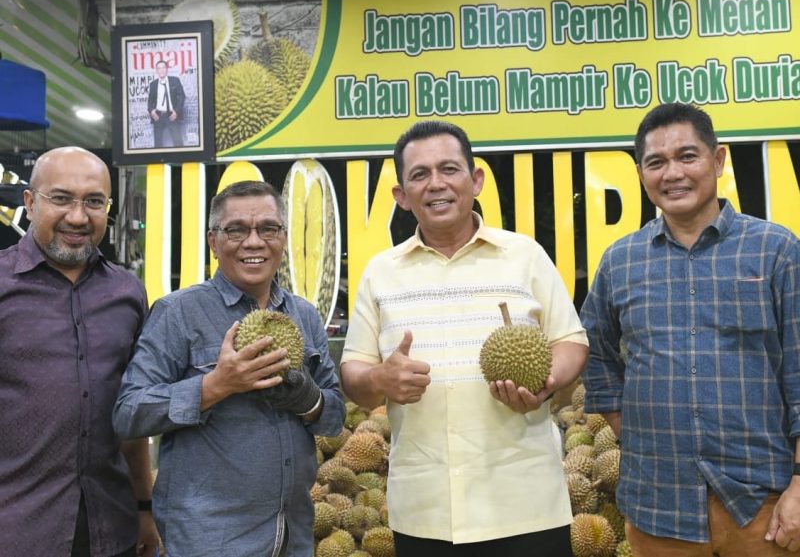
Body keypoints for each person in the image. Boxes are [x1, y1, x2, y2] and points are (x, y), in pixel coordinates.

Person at [340, 120, 589, 556]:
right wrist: (379, 379)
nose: (436, 183)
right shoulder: (380, 273)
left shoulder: (525, 256)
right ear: (401, 196)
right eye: (419, 174)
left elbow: (570, 341)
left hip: (525, 501)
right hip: (426, 510)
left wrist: (546, 382)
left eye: (449, 169)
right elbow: (353, 373)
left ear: (476, 181)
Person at [581, 102, 800, 556]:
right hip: (657, 506)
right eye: (656, 162)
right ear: (641, 174)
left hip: (763, 503)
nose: (673, 173)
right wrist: (630, 432)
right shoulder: (621, 261)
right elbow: (595, 353)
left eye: (687, 156)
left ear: (717, 160)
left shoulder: (775, 250)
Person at [113, 180, 345, 556]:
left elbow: (333, 418)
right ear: (213, 241)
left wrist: (309, 400)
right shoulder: (178, 313)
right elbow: (129, 413)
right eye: (236, 230)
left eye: (268, 228)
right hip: (210, 541)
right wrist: (216, 385)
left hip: (293, 535)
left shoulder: (304, 315)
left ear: (283, 238)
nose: (254, 242)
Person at [0, 147, 157, 556]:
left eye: (93, 202)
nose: (77, 216)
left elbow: (132, 417)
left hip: (112, 529)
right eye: (61, 198)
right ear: (30, 202)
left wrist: (144, 507)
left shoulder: (127, 293)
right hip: (16, 532)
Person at [146, 59, 185, 148]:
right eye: (159, 68)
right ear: (156, 70)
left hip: (171, 115)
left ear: (167, 69)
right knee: (158, 145)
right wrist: (151, 111)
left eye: (163, 68)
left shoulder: (175, 81)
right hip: (158, 115)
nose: (161, 70)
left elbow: (182, 96)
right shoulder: (153, 84)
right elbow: (150, 101)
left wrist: (176, 111)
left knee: (178, 143)